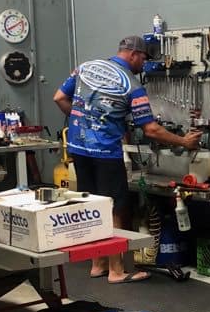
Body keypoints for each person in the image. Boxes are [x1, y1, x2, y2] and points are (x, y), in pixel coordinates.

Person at [54, 35, 201, 283]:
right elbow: (151, 130)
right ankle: (116, 270)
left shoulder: (85, 68)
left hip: (78, 148)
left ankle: (97, 264)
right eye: (143, 58)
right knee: (116, 209)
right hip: (106, 154)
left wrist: (84, 122)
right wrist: (184, 142)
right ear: (133, 54)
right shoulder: (132, 86)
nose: (144, 64)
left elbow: (59, 97)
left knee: (93, 207)